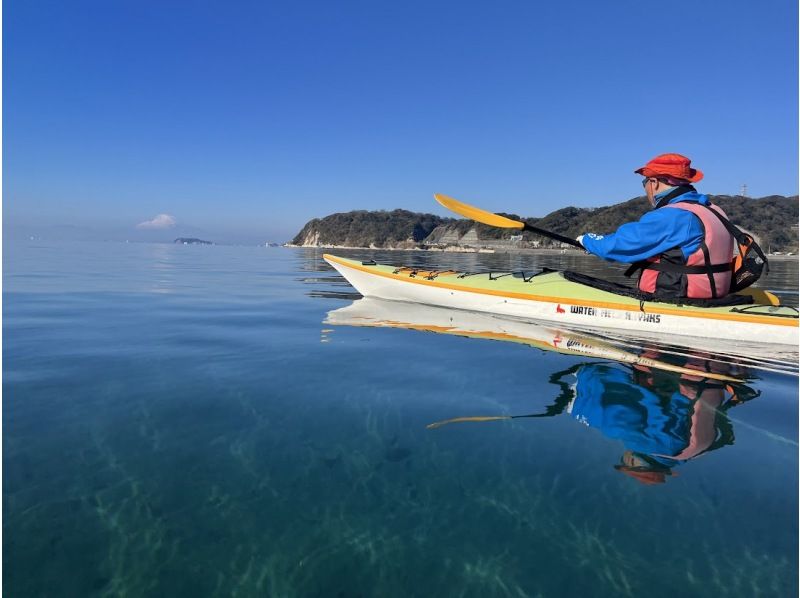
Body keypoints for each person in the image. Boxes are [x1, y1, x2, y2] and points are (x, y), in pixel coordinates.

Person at [576, 153, 734, 300]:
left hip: (675, 299)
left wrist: (587, 240)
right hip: (715, 296)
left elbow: (620, 244)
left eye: (644, 182)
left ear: (654, 182)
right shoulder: (713, 210)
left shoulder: (673, 215)